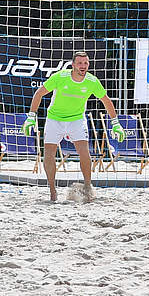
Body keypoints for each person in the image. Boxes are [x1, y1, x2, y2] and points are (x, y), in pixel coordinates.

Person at [24, 51, 122, 203]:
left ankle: (88, 188)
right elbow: (39, 93)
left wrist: (115, 123)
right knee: (49, 153)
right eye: (80, 63)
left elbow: (106, 100)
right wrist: (31, 116)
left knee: (84, 151)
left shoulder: (92, 81)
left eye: (86, 63)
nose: (83, 66)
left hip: (76, 119)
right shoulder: (60, 77)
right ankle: (52, 191)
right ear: (73, 65)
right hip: (54, 118)